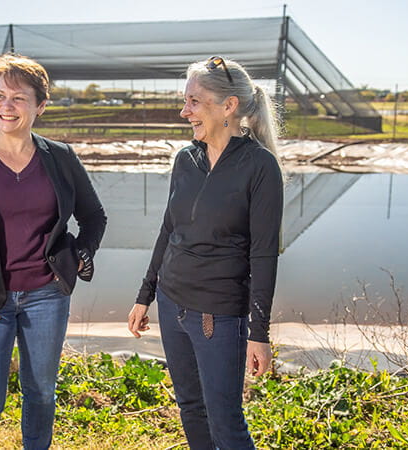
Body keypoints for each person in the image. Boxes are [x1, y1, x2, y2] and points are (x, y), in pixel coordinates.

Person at [0, 53, 107, 449]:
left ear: (40, 106)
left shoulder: (60, 157)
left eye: (18, 98)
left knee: (42, 393)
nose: (6, 106)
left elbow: (94, 216)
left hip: (47, 295)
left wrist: (82, 253)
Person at [127, 56, 284, 449]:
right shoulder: (186, 158)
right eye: (186, 101)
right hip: (171, 304)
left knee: (226, 421)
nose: (185, 111)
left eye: (194, 101)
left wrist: (258, 333)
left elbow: (264, 256)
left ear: (228, 106)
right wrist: (145, 295)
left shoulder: (260, 167)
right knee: (190, 408)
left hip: (218, 315)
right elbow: (169, 228)